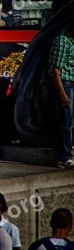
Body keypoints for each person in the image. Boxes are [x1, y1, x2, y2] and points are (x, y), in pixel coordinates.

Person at [49, 20, 74, 169]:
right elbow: (55, 69)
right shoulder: (62, 41)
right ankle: (64, 157)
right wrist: (62, 94)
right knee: (67, 121)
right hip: (65, 82)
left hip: (71, 81)